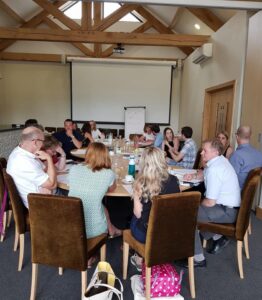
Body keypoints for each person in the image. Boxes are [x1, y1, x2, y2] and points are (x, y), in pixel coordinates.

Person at [182, 139, 241, 268]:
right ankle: (216, 235)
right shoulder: (220, 161)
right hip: (229, 207)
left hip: (226, 211)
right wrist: (194, 176)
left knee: (187, 215)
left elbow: (209, 202)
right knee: (191, 209)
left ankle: (198, 258)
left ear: (215, 152)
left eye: (205, 151)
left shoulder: (216, 169)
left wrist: (195, 204)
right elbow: (206, 174)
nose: (201, 153)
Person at [130, 147, 180, 271]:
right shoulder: (174, 180)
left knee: (133, 218)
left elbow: (137, 213)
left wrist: (135, 195)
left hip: (147, 234)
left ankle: (139, 257)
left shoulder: (140, 183)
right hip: (169, 231)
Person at [68, 142, 121, 242]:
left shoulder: (74, 169)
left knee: (99, 205)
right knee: (97, 204)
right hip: (94, 229)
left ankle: (111, 229)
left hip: (71, 223)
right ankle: (91, 253)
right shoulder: (108, 173)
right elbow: (111, 189)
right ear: (106, 156)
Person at [6, 127, 57, 208]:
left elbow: (44, 169)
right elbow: (52, 185)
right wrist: (49, 158)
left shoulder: (20, 151)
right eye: (42, 141)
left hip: (42, 196)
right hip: (40, 205)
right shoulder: (24, 161)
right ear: (35, 142)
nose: (43, 144)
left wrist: (48, 184)